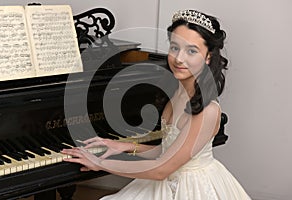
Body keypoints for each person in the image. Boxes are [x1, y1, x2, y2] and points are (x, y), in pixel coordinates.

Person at [61, 9, 251, 200]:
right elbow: (167, 151)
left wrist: (100, 163)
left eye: (191, 51)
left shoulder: (208, 111)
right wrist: (125, 146)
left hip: (191, 189)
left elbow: (162, 169)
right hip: (164, 176)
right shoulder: (177, 91)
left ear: (208, 57)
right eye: (175, 47)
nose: (179, 58)